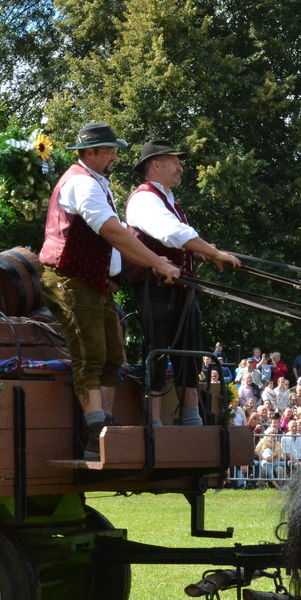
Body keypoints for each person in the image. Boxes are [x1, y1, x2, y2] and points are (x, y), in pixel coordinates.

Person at [39, 122, 180, 455]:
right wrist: (157, 262)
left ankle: (106, 429)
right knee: (90, 356)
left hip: (95, 282)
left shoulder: (95, 182)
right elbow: (113, 232)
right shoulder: (81, 184)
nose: (116, 156)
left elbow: (116, 239)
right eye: (110, 150)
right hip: (68, 278)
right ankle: (95, 437)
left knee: (112, 357)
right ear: (91, 153)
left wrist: (150, 260)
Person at [123, 139, 241, 426]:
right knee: (158, 352)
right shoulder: (144, 198)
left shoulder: (169, 200)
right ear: (156, 164)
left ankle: (192, 419)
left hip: (182, 292)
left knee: (189, 357)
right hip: (156, 289)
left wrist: (202, 255)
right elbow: (171, 233)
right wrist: (213, 251)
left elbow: (180, 241)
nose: (181, 166)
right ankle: (154, 425)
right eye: (175, 161)